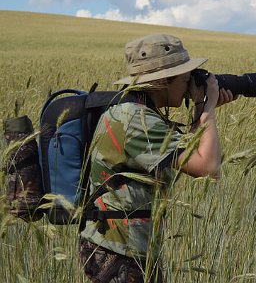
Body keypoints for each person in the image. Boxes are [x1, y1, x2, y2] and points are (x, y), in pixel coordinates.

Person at [79, 34, 235, 282]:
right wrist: (209, 110)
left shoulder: (136, 112)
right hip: (119, 250)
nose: (189, 86)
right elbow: (208, 168)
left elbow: (192, 155)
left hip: (128, 247)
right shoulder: (136, 120)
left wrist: (199, 107)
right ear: (162, 81)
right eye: (186, 79)